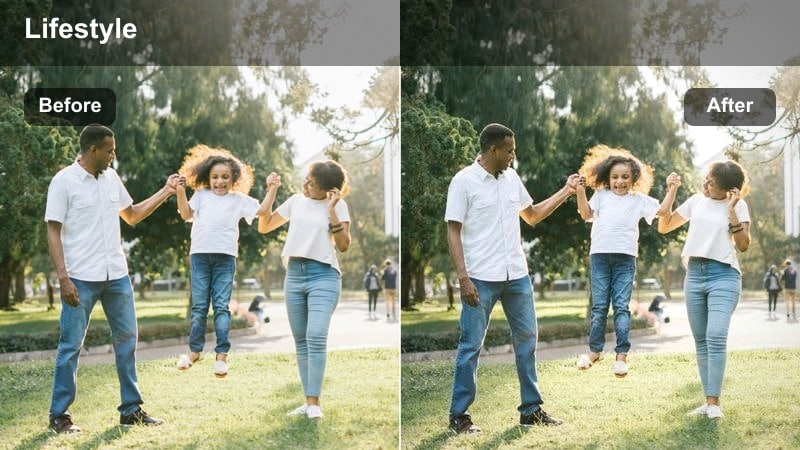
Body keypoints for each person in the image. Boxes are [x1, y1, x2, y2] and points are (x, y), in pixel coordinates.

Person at [445, 123, 579, 433]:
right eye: (509, 150)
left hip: (517, 275)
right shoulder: (464, 181)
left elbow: (531, 215)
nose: (513, 156)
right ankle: (459, 415)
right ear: (493, 150)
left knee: (527, 342)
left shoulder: (511, 178)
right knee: (471, 346)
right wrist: (463, 278)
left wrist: (566, 191)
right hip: (479, 277)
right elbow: (452, 230)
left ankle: (530, 410)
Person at [44, 124, 172, 433]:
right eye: (110, 150)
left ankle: (131, 410)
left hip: (116, 275)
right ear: (93, 150)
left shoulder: (111, 178)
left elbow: (132, 215)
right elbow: (53, 229)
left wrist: (166, 191)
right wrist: (63, 278)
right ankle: (59, 415)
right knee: (71, 345)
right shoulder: (64, 181)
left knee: (127, 341)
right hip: (80, 277)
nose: (114, 155)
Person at [573, 145, 680, 377]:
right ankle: (594, 352)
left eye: (625, 177)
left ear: (634, 179)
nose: (619, 181)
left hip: (625, 258)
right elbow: (585, 214)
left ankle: (621, 357)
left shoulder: (638, 200)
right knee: (600, 307)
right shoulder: (601, 195)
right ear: (607, 178)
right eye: (615, 177)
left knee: (621, 307)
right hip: (600, 256)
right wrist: (580, 191)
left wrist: (672, 189)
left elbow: (662, 211)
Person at [173, 145, 278, 378]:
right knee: (199, 307)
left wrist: (272, 188)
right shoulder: (201, 195)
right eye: (215, 177)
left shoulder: (238, 200)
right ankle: (194, 352)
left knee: (221, 306)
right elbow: (186, 214)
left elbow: (262, 211)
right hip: (200, 256)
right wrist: (180, 191)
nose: (220, 182)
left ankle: (221, 357)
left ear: (234, 179)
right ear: (207, 178)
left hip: (225, 259)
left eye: (225, 177)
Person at [258, 160, 351, 420]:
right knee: (301, 342)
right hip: (295, 275)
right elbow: (263, 226)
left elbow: (343, 245)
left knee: (316, 335)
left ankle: (314, 405)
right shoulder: (296, 201)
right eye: (306, 180)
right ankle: (309, 402)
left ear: (329, 190)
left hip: (324, 275)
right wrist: (272, 190)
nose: (305, 185)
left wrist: (331, 210)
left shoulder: (339, 205)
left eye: (312, 183)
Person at [658, 160, 751, 420]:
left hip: (724, 275)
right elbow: (663, 227)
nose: (705, 184)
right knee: (701, 341)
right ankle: (709, 402)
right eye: (706, 179)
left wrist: (731, 210)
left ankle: (714, 404)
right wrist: (672, 191)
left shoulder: (739, 205)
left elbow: (743, 245)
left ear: (729, 189)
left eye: (712, 182)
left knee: (716, 336)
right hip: (695, 275)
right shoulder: (696, 201)